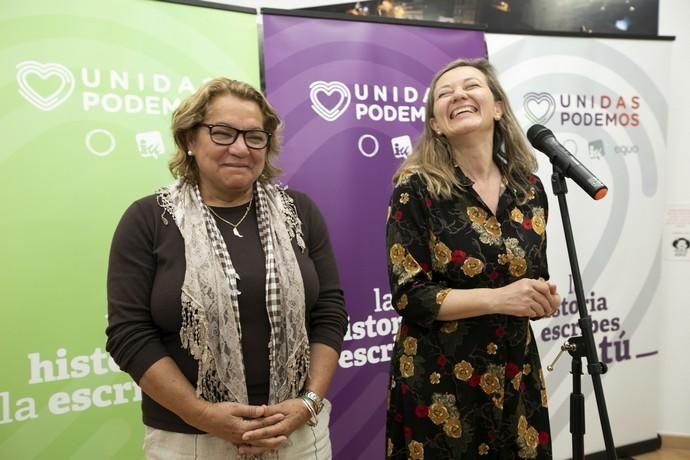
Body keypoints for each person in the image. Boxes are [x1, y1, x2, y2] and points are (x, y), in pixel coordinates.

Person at [106, 78, 347, 459]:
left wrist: (310, 401)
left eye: (255, 136)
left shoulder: (299, 212)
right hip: (190, 441)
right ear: (189, 138)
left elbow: (330, 311)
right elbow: (129, 334)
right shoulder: (148, 220)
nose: (240, 148)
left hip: (299, 434)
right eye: (222, 133)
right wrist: (203, 415)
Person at [384, 58, 560, 459]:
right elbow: (411, 295)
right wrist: (500, 299)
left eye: (471, 87)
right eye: (445, 94)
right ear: (435, 124)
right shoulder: (415, 188)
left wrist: (540, 299)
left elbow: (532, 276)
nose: (458, 95)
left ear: (497, 107)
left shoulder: (529, 188)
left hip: (515, 374)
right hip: (441, 382)